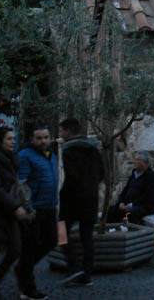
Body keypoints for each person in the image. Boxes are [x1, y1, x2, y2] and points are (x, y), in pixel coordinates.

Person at [58, 118, 104, 287]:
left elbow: (72, 176)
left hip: (72, 200)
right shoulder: (93, 148)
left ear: (69, 131)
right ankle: (87, 274)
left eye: (62, 131)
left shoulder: (69, 150)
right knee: (87, 237)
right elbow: (101, 173)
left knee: (61, 231)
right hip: (90, 199)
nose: (61, 135)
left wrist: (67, 194)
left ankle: (73, 266)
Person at [0, 127, 32, 300]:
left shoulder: (13, 159)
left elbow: (16, 187)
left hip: (10, 213)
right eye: (9, 139)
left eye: (14, 138)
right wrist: (15, 207)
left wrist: (25, 207)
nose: (13, 141)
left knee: (15, 249)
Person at [18, 124, 59, 300]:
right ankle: (28, 288)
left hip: (49, 207)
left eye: (46, 137)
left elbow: (54, 179)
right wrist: (27, 208)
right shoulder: (25, 156)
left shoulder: (50, 154)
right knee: (30, 247)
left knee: (53, 240)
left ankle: (23, 268)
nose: (43, 141)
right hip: (34, 210)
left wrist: (56, 202)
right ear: (32, 139)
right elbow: (22, 183)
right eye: (39, 138)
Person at [108, 151, 154, 224]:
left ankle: (132, 232)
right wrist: (121, 202)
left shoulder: (152, 177)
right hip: (129, 204)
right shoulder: (134, 173)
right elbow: (125, 190)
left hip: (144, 206)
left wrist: (132, 204)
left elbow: (148, 197)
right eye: (135, 159)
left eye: (138, 160)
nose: (135, 162)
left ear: (145, 163)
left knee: (130, 213)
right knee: (111, 210)